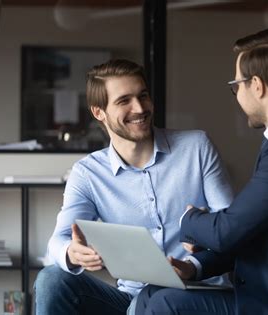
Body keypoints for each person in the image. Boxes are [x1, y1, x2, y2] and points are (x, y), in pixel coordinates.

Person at [135, 28, 268, 315]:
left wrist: (188, 218)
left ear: (257, 85)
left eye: (236, 85)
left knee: (165, 303)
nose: (237, 95)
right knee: (153, 293)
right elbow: (251, 233)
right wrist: (194, 267)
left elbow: (226, 231)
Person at [33, 59, 234, 315]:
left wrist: (195, 259)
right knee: (52, 280)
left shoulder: (196, 147)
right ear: (99, 112)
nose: (139, 108)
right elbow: (57, 241)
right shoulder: (88, 173)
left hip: (198, 294)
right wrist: (73, 253)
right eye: (124, 100)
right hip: (132, 299)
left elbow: (231, 228)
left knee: (155, 302)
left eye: (143, 96)